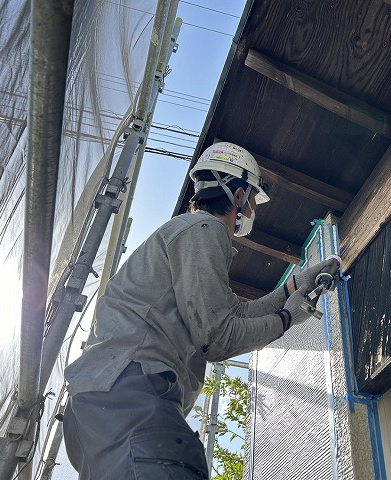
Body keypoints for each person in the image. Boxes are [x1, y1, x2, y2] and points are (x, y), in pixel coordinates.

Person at [63, 142, 334, 479]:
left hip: (102, 405)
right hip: (131, 393)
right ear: (236, 195)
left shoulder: (185, 234)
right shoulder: (204, 230)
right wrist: (287, 319)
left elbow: (232, 317)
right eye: (250, 200)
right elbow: (218, 338)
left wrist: (291, 290)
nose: (250, 210)